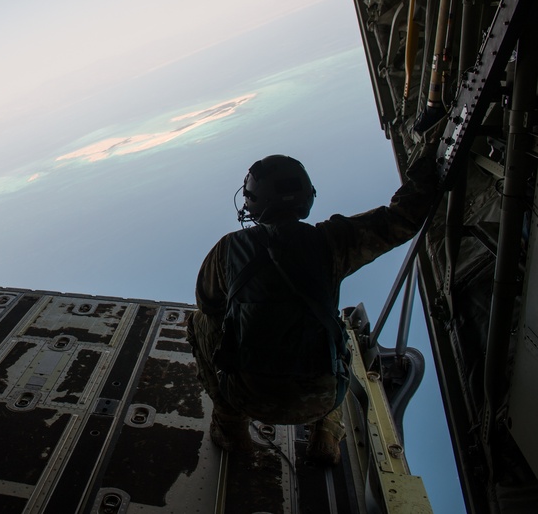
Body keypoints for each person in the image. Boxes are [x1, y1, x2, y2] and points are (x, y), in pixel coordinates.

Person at [186, 154, 436, 465]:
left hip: (249, 395)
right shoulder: (332, 241)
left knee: (199, 322)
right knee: (337, 333)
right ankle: (326, 434)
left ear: (253, 203)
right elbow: (402, 219)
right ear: (307, 197)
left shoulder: (228, 248)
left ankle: (231, 428)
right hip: (321, 398)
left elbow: (208, 304)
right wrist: (426, 170)